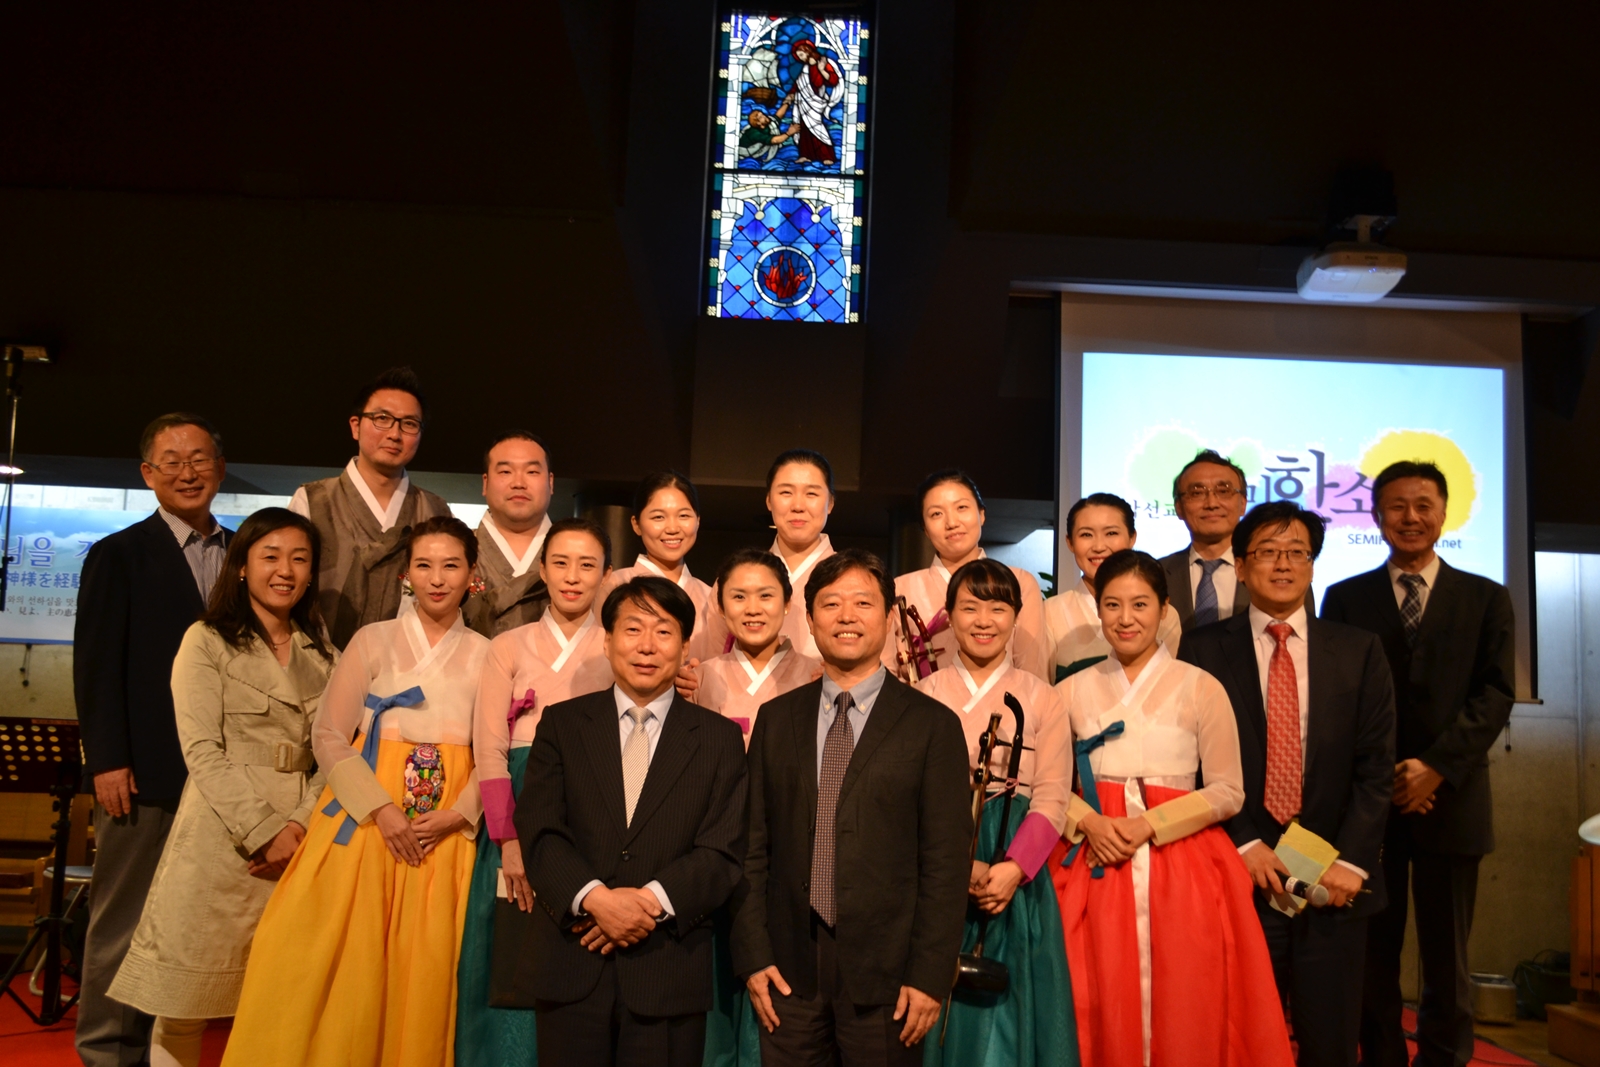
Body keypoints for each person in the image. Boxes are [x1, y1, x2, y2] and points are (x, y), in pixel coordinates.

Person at [221, 516, 491, 1065]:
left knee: (428, 960)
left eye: (451, 565)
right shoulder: (373, 639)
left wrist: (462, 814)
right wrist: (380, 808)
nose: (437, 578)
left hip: (445, 830)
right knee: (343, 957)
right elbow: (328, 734)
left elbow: (494, 751)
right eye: (423, 565)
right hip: (368, 815)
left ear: (473, 575)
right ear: (405, 575)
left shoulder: (490, 653)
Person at [106, 508, 336, 1067]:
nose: (285, 571)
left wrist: (300, 825)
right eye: (271, 556)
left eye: (299, 559)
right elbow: (202, 750)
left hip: (303, 838)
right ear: (241, 566)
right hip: (223, 834)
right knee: (184, 1003)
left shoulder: (324, 649)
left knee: (279, 1001)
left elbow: (333, 751)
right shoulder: (206, 639)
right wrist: (265, 831)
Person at [1052, 549, 1293, 1067]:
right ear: (1098, 609)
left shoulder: (1201, 686)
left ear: (1165, 610)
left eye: (1140, 604)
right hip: (1095, 856)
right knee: (1090, 990)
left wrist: (1149, 824)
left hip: (1182, 861)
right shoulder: (1069, 691)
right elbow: (1048, 784)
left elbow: (1228, 790)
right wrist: (1088, 821)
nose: (1125, 618)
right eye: (1112, 605)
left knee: (1189, 992)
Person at [731, 549, 971, 1067]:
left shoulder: (932, 725)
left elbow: (947, 864)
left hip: (890, 976)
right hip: (788, 970)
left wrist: (929, 975)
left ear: (888, 617)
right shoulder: (775, 720)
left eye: (863, 603)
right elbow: (751, 847)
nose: (846, 616)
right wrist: (753, 955)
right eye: (831, 603)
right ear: (809, 619)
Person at [1178, 503, 1396, 1067]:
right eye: (1268, 552)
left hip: (1333, 880)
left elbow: (1376, 766)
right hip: (1241, 872)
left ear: (1312, 564)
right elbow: (1192, 763)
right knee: (1245, 1040)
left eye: (1297, 552)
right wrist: (1245, 842)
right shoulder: (1202, 649)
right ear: (1241, 566)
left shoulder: (1358, 650)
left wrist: (1352, 861)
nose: (1283, 565)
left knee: (1332, 1042)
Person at [503, 576, 748, 1067]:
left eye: (664, 632)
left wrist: (645, 905)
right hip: (573, 957)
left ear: (684, 646)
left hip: (667, 966)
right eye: (633, 629)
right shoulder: (563, 724)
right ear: (608, 640)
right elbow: (541, 829)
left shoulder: (719, 737)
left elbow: (723, 849)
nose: (647, 646)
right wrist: (596, 900)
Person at [1320, 462, 1515, 1067]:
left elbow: (1495, 694)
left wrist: (1434, 767)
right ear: (1376, 515)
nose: (1410, 517)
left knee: (1447, 956)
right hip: (1371, 808)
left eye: (1423, 505)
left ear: (1444, 513)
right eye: (1397, 506)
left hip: (1452, 801)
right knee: (1373, 952)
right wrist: (1390, 777)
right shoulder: (1345, 598)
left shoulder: (1486, 597)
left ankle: (1444, 1059)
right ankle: (1381, 1058)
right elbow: (1338, 701)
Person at [74, 412, 233, 1067]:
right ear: (147, 474)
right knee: (125, 920)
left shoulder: (242, 555)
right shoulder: (118, 553)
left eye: (200, 458)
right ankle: (107, 1050)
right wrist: (107, 760)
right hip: (144, 773)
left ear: (220, 468)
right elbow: (96, 665)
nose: (187, 472)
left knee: (189, 925)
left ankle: (166, 1053)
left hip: (222, 778)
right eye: (172, 461)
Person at [457, 517, 615, 1067]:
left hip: (596, 808)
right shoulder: (508, 645)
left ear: (606, 575)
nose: (572, 577)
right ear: (542, 570)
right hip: (517, 808)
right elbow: (489, 748)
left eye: (587, 565)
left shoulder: (617, 646)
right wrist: (509, 839)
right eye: (561, 563)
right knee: (509, 949)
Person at [913, 558, 1078, 1067]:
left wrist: (1012, 869)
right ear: (949, 616)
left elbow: (1052, 796)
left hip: (1014, 863)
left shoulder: (1044, 698)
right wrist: (959, 867)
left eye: (998, 608)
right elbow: (907, 798)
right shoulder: (922, 694)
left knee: (1007, 1015)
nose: (983, 621)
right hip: (937, 862)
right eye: (970, 608)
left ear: (1016, 617)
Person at [289, 366, 451, 649]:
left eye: (409, 424)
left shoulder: (436, 510)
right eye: (382, 419)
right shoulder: (313, 500)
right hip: (321, 659)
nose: (395, 434)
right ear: (355, 426)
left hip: (411, 665)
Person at [883, 469, 1050, 683]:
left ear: (981, 514)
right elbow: (886, 671)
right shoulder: (900, 589)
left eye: (961, 507)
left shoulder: (1019, 582)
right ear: (924, 528)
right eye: (936, 514)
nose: (952, 522)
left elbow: (1033, 672)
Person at [1159, 450, 1313, 631]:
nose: (1211, 504)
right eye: (1197, 493)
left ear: (1243, 503)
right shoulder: (1156, 574)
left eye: (1223, 491)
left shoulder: (1281, 572)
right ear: (1178, 507)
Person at [1042, 493, 1179, 682]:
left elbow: (1172, 684)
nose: (1099, 546)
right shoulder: (1049, 612)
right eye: (1086, 535)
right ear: (1070, 543)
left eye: (1111, 533)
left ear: (1132, 538)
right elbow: (1040, 688)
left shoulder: (1165, 614)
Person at [693, 547, 822, 744]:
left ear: (787, 603)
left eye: (765, 596)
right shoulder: (699, 679)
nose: (753, 609)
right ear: (721, 607)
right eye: (739, 597)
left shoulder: (816, 677)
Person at [599, 471, 720, 663]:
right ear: (636, 524)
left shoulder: (710, 597)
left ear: (698, 521)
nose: (672, 528)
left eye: (683, 516)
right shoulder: (612, 586)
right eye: (658, 517)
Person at [464, 431, 555, 638]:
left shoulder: (576, 555)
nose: (518, 483)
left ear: (550, 482)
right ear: (485, 483)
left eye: (532, 472)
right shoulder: (456, 551)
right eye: (505, 472)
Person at [786, 38, 843, 166]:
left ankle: (827, 155)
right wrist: (791, 94)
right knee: (804, 130)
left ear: (808, 51)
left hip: (816, 102)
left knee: (817, 127)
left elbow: (833, 81)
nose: (800, 58)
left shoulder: (822, 63)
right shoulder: (806, 68)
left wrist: (822, 70)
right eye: (799, 56)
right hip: (803, 102)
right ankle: (805, 155)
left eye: (801, 55)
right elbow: (799, 84)